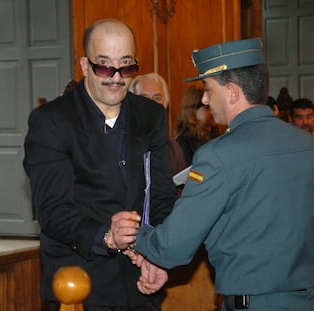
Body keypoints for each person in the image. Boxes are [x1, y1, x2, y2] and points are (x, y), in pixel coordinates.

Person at [132, 38, 314, 310]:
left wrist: (135, 235)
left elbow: (174, 245)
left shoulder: (218, 155)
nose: (204, 99)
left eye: (208, 88)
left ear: (231, 92)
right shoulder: (306, 144)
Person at [23, 19, 177, 310]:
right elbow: (53, 210)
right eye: (104, 66)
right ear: (84, 65)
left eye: (127, 66)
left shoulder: (151, 115)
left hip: (140, 284)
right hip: (79, 286)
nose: (116, 77)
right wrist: (106, 236)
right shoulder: (51, 121)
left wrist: (153, 252)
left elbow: (161, 195)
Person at [129, 72, 186, 175]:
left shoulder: (173, 147)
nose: (151, 104)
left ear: (165, 104)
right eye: (143, 97)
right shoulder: (120, 141)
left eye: (157, 98)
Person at [174, 84, 226, 169]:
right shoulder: (183, 143)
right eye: (207, 107)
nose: (214, 110)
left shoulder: (219, 136)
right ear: (193, 110)